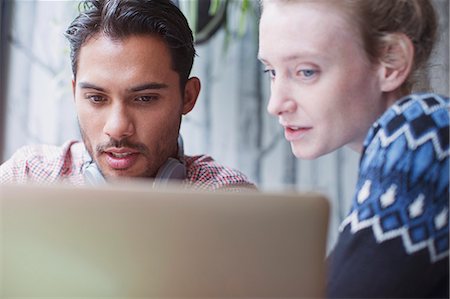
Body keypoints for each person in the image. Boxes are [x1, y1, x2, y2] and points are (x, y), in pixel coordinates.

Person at [258, 0, 449, 297]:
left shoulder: (423, 127)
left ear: (391, 61)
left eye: (306, 72)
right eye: (271, 71)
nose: (275, 104)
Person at [0, 0, 255, 191]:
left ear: (188, 97)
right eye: (97, 98)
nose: (118, 128)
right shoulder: (26, 177)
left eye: (144, 98)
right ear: (74, 93)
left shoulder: (227, 200)